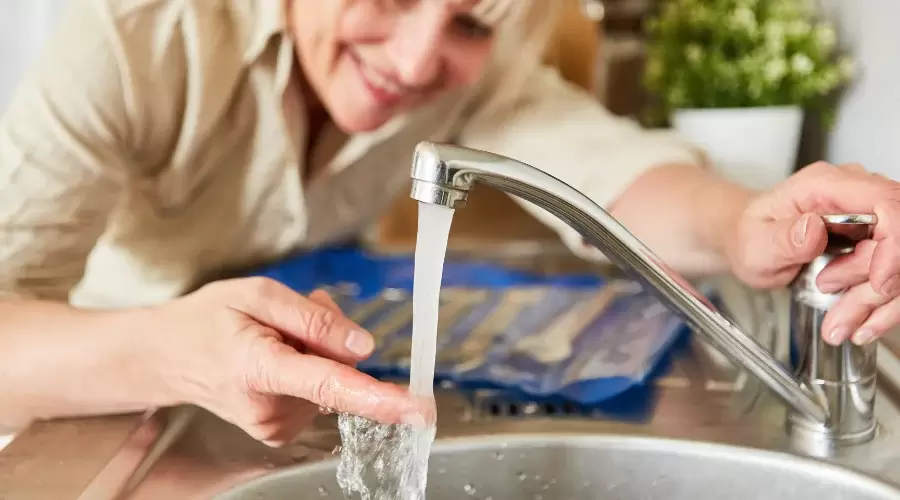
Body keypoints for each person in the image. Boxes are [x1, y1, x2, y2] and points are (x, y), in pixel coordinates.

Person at [1, 0, 899, 447]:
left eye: (471, 20)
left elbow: (605, 173)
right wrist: (168, 351)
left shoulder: (473, 60)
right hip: (95, 402)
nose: (416, 60)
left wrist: (747, 224)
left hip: (281, 398)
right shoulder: (130, 40)